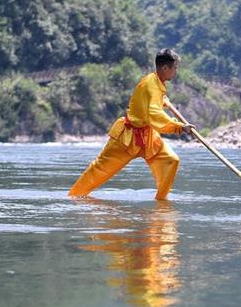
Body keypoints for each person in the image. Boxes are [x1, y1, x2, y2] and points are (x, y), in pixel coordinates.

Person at [69, 49, 194, 200]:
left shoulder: (156, 82)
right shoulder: (151, 84)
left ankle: (161, 200)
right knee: (100, 169)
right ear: (165, 68)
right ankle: (75, 196)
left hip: (147, 136)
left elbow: (148, 105)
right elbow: (154, 114)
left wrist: (162, 101)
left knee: (170, 160)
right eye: (175, 68)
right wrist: (179, 127)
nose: (176, 71)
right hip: (128, 137)